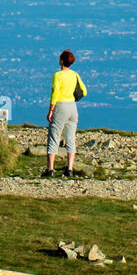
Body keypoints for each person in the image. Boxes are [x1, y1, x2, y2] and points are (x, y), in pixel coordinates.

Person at [42, 49, 87, 178]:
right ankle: (70, 169)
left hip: (61, 106)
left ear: (61, 61)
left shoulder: (57, 75)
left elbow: (55, 94)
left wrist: (51, 110)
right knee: (70, 138)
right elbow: (84, 90)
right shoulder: (75, 74)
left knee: (54, 136)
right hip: (73, 107)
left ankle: (50, 169)